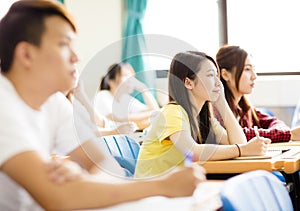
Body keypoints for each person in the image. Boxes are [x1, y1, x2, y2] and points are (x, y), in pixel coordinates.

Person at [0, 1, 206, 210]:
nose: (76, 57)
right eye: (64, 44)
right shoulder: (3, 105)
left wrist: (82, 178)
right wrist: (162, 186)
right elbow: (57, 198)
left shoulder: (54, 101)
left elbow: (108, 166)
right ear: (26, 54)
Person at [134, 51, 271, 178]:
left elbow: (239, 142)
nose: (218, 83)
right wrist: (242, 150)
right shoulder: (172, 112)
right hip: (151, 193)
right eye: (211, 75)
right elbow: (192, 152)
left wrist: (222, 104)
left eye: (217, 76)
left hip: (174, 190)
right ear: (188, 82)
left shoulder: (203, 118)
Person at [216, 45, 300, 142]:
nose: (254, 76)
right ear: (226, 75)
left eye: (253, 69)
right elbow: (238, 136)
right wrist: (288, 134)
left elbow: (275, 122)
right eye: (247, 69)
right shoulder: (217, 110)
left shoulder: (245, 108)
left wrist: (284, 133)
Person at [95, 62, 159, 130]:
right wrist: (154, 114)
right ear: (111, 82)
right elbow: (118, 117)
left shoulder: (125, 99)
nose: (131, 80)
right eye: (125, 75)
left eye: (132, 76)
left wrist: (143, 88)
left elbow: (154, 109)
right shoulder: (103, 95)